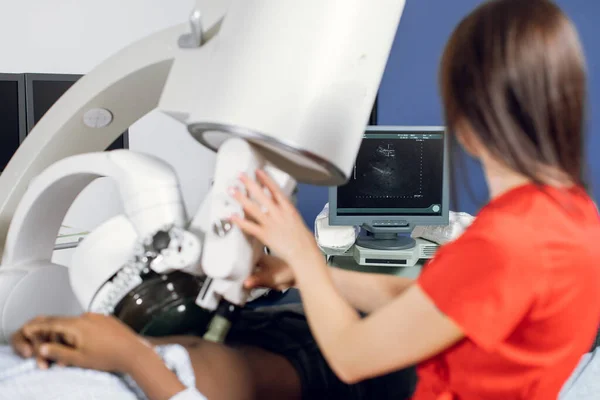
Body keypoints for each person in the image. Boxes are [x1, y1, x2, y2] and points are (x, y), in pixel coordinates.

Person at [7, 0, 600, 399]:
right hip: (359, 353)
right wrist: (299, 268)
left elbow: (351, 356)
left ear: (468, 120)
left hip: (362, 369)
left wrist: (130, 355)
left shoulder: (507, 241)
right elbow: (434, 298)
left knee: (231, 360)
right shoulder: (571, 218)